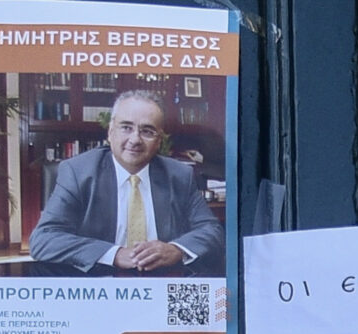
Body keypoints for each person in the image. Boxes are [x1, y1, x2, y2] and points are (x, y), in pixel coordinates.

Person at [28, 89, 221, 275]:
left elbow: (212, 231)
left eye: (147, 131)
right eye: (126, 127)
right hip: (99, 283)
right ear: (110, 132)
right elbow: (43, 240)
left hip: (162, 282)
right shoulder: (79, 172)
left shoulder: (179, 175)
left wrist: (176, 249)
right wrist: (114, 254)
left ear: (159, 141)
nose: (135, 139)